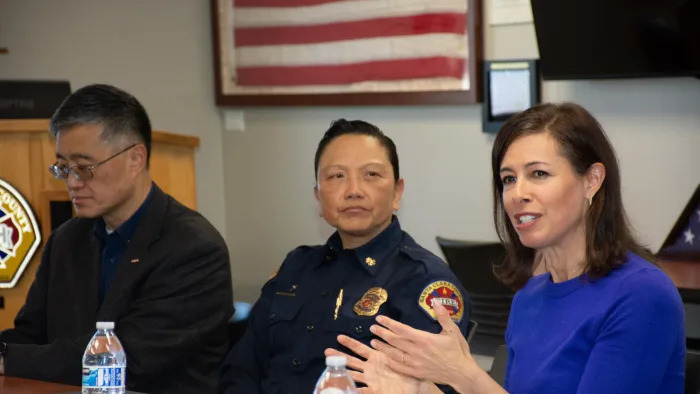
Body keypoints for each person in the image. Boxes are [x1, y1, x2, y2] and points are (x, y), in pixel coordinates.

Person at [328, 103, 686, 393]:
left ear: (591, 180)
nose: (517, 194)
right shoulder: (530, 297)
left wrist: (466, 376)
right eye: (508, 179)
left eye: (539, 174)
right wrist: (421, 389)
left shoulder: (641, 295)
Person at [0, 84, 233, 393]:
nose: (72, 182)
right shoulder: (66, 241)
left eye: (84, 167)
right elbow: (31, 335)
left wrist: (8, 358)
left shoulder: (194, 248)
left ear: (136, 159)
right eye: (63, 167)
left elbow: (126, 359)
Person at [219, 119, 470, 394]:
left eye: (371, 175)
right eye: (337, 176)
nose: (353, 190)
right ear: (318, 196)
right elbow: (241, 370)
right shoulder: (295, 267)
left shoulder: (424, 280)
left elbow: (437, 388)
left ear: (397, 193)